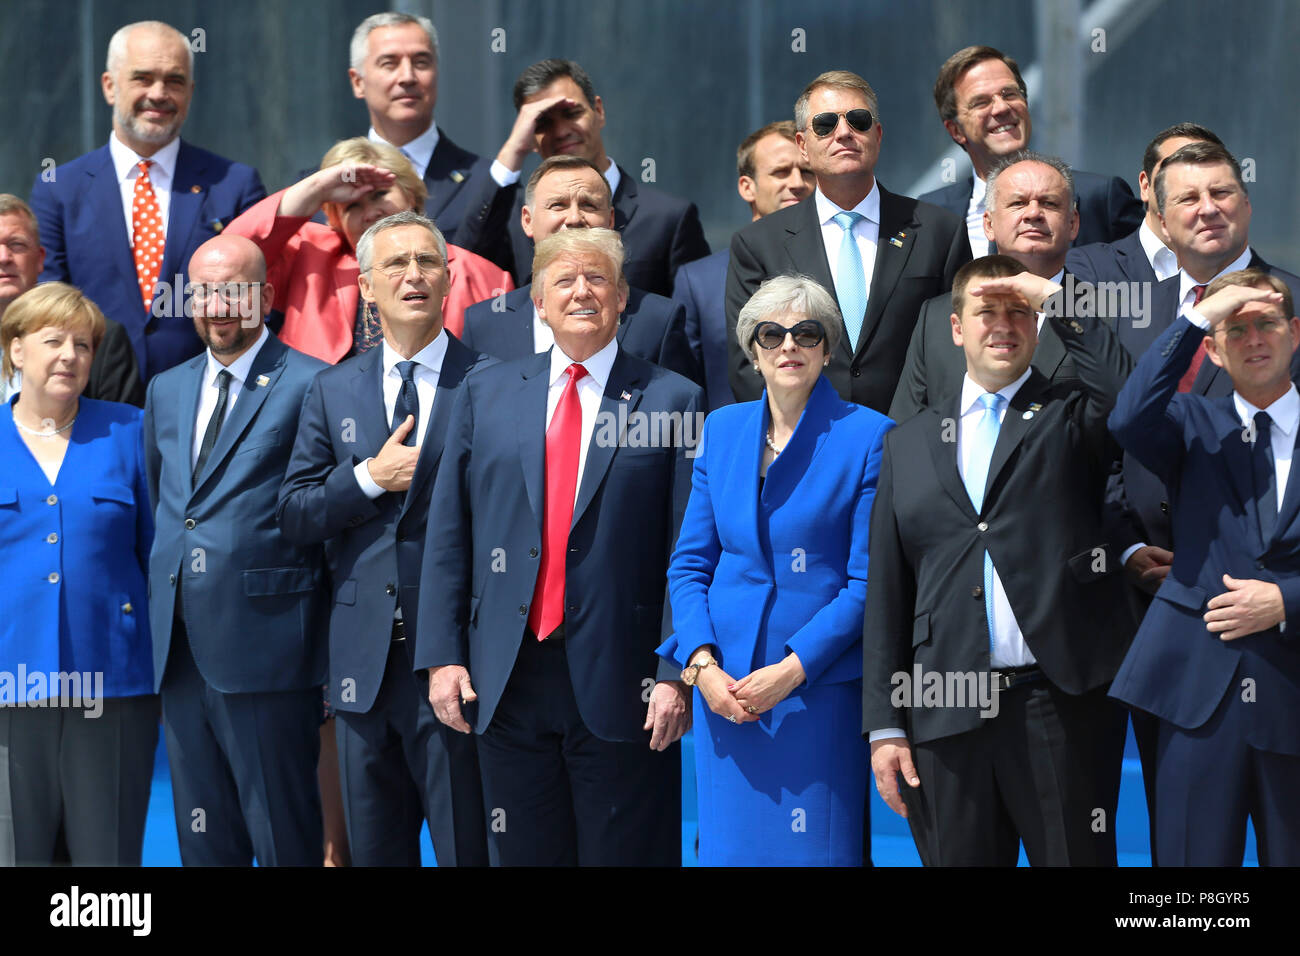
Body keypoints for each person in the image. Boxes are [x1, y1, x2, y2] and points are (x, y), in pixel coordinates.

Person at [416, 228, 700, 866]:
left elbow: (688, 553)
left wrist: (673, 674)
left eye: (597, 279)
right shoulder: (483, 392)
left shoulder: (673, 399)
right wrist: (442, 657)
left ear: (623, 296)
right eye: (564, 281)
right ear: (536, 301)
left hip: (625, 683)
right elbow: (448, 534)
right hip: (505, 679)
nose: (582, 292)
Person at [865, 257, 1134, 865]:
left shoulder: (1072, 414)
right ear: (956, 328)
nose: (1003, 325)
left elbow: (1130, 396)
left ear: (1039, 326)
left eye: (1019, 312)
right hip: (943, 713)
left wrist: (1056, 296)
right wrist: (885, 726)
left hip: (1057, 705)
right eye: (986, 311)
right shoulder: (906, 442)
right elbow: (888, 590)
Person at [278, 211, 490, 867]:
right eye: (396, 264)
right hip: (361, 671)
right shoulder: (331, 388)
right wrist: (369, 476)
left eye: (428, 261)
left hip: (458, 663)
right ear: (366, 286)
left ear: (449, 277)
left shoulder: (493, 381)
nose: (414, 275)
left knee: (467, 850)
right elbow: (296, 513)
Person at [659, 275, 891, 865]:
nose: (789, 345)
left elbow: (867, 584)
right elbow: (689, 564)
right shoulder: (723, 428)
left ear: (827, 348)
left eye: (806, 333)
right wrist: (700, 665)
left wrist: (790, 670)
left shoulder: (869, 436)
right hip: (725, 695)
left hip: (814, 695)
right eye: (772, 334)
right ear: (753, 349)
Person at [144, 235, 329, 866]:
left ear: (266, 297)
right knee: (203, 842)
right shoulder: (165, 390)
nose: (219, 305)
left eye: (235, 290)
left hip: (271, 650)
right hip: (180, 651)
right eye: (204, 291)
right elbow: (169, 508)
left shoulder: (313, 384)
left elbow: (327, 523)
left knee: (281, 835)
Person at [1109, 270, 1300, 866]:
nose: (1253, 338)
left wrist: (1286, 600)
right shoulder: (1192, 424)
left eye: (1265, 322)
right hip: (1199, 691)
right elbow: (1128, 416)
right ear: (1213, 349)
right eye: (1234, 328)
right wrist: (1196, 317)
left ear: (1294, 332)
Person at [0, 282, 157, 865]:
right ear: (16, 350)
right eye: (53, 341)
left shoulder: (130, 430)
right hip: (8, 687)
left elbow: (155, 553)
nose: (70, 355)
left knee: (107, 861)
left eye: (84, 345)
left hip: (112, 682)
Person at [29, 20, 265, 382]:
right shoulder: (58, 188)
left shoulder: (233, 184)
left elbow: (257, 303)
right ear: (109, 86)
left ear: (190, 90)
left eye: (174, 81)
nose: (159, 93)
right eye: (142, 78)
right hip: (92, 401)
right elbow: (48, 305)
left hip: (205, 399)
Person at [726, 70, 971, 412]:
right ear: (803, 146)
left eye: (859, 120)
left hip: (913, 443)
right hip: (807, 448)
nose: (844, 133)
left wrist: (918, 438)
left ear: (878, 135)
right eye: (825, 124)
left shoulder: (940, 231)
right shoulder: (757, 244)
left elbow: (959, 346)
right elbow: (748, 362)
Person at [227, 137, 511, 363]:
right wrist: (317, 187)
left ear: (411, 194)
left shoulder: (484, 277)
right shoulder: (309, 259)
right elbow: (232, 258)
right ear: (335, 220)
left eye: (379, 195)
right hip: (321, 427)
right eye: (352, 206)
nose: (370, 212)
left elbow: (502, 375)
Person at [457, 58, 711, 295]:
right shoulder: (515, 217)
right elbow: (465, 266)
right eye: (542, 122)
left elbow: (693, 321)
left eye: (571, 113)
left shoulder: (667, 219)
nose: (561, 131)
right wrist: (513, 150)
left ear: (598, 111)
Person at [460, 156, 697, 381]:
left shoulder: (659, 321)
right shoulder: (484, 322)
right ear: (527, 220)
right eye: (558, 205)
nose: (574, 218)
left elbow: (683, 413)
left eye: (589, 205)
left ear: (611, 219)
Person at [891, 151, 1082, 422]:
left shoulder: (1102, 314)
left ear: (1073, 223)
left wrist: (1059, 303)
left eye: (1049, 203)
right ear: (989, 224)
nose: (1033, 213)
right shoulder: (935, 317)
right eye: (1018, 203)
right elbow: (906, 433)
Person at [919, 45, 1142, 255]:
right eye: (981, 102)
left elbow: (1152, 283)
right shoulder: (930, 214)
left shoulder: (1100, 199)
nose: (1001, 107)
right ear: (956, 130)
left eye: (1009, 94)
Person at [673, 122, 814, 413]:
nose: (798, 182)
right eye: (781, 172)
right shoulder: (698, 282)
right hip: (735, 450)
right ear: (747, 187)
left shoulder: (844, 265)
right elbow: (684, 391)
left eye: (807, 172)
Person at [345, 12, 507, 259]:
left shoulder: (489, 182)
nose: (408, 77)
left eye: (421, 62)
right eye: (389, 63)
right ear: (358, 82)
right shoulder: (321, 189)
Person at [0, 195, 142, 406]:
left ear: (40, 259)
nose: (4, 257)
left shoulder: (100, 338)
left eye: (17, 244)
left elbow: (121, 435)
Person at [1067, 123, 1226, 286]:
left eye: (1217, 188)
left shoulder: (1245, 277)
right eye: (1174, 170)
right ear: (1145, 186)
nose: (1191, 182)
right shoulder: (1085, 268)